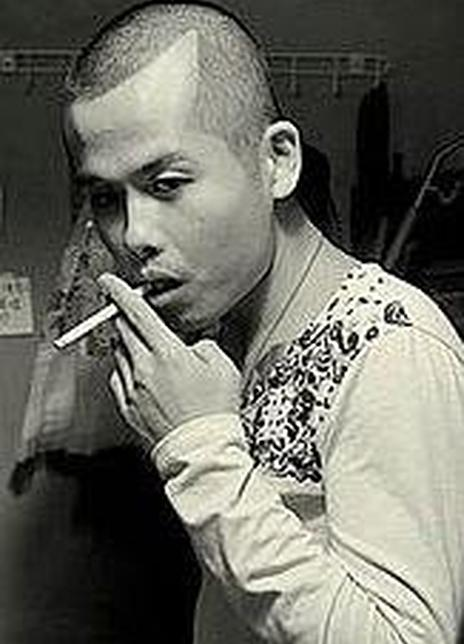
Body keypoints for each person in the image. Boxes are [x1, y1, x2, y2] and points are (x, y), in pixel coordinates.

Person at [63, 2, 464, 642]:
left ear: (277, 161)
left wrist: (199, 448)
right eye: (107, 198)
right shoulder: (220, 332)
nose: (134, 235)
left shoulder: (390, 345)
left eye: (166, 183)